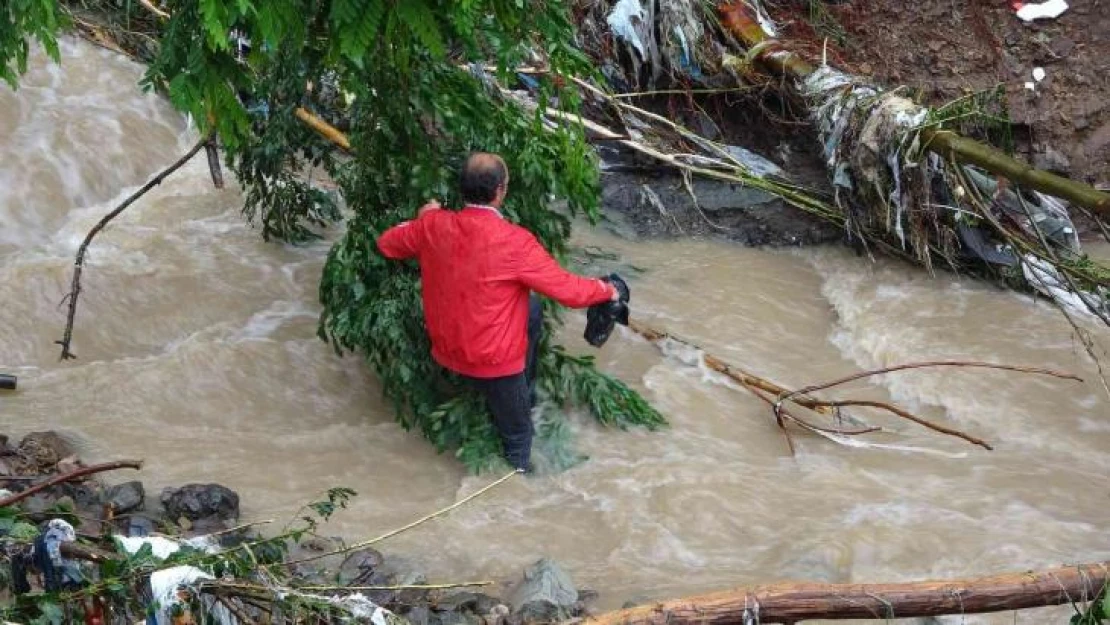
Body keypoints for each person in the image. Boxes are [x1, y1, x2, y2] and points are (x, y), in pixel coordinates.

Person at [376, 152, 620, 473]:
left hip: (446, 348)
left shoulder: (434, 226)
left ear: (462, 188)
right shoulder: (515, 242)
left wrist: (423, 219)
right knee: (519, 437)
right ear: (501, 191)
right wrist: (608, 290)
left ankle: (523, 389)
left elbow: (387, 244)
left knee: (532, 308)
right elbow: (571, 292)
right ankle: (520, 476)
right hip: (493, 363)